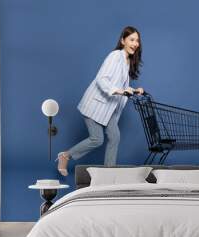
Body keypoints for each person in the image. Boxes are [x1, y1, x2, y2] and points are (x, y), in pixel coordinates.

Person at [56, 26, 144, 176]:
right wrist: (120, 91)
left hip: (109, 109)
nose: (135, 43)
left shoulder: (127, 61)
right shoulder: (115, 56)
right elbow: (102, 79)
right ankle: (65, 156)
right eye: (132, 40)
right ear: (123, 41)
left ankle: (108, 174)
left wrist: (134, 90)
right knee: (97, 139)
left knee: (114, 137)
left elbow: (120, 85)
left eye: (137, 41)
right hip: (95, 104)